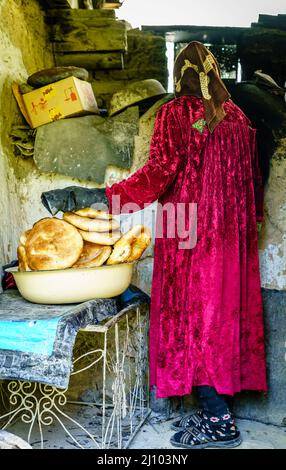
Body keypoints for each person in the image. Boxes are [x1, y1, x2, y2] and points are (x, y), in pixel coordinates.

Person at [42, 42, 267, 449]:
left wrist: (98, 198)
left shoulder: (177, 113)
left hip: (186, 231)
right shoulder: (236, 117)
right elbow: (251, 186)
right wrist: (244, 227)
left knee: (192, 320)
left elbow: (157, 176)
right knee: (220, 318)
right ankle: (219, 412)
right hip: (232, 236)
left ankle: (219, 422)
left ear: (179, 74)